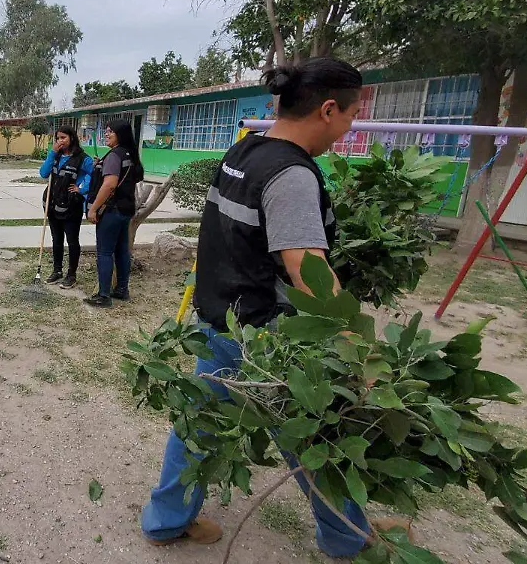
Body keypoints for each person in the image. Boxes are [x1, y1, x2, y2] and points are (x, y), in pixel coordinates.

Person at [139, 58, 407, 556]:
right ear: (328, 109)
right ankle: (349, 540)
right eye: (350, 116)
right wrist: (355, 346)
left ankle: (165, 520)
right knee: (313, 438)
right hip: (266, 339)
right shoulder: (291, 176)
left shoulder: (242, 151)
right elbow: (306, 268)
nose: (350, 127)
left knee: (196, 423)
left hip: (218, 321)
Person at [84, 120, 142, 307]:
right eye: (106, 131)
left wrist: (93, 209)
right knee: (121, 251)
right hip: (126, 210)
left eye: (111, 131)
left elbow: (109, 185)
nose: (107, 134)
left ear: (120, 134)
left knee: (105, 252)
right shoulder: (129, 155)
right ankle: (122, 290)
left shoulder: (114, 156)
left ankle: (103, 295)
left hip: (111, 211)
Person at [39, 125, 95, 289]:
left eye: (63, 137)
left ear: (71, 138)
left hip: (72, 206)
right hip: (52, 203)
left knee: (72, 240)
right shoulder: (55, 156)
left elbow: (95, 175)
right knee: (56, 239)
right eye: (57, 138)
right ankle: (57, 271)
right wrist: (52, 153)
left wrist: (82, 188)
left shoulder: (83, 158)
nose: (60, 141)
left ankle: (71, 274)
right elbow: (43, 173)